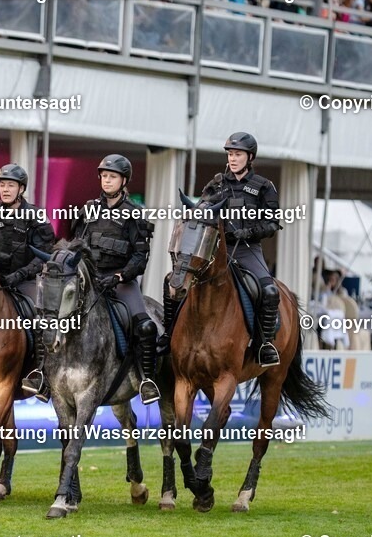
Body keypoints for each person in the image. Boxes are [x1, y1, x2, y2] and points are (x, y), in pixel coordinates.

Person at [164, 132, 282, 367]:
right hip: (215, 249)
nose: (233, 159)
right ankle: (169, 336)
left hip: (247, 249)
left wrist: (247, 232)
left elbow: (272, 223)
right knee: (174, 280)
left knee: (269, 291)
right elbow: (202, 209)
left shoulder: (264, 187)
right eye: (230, 154)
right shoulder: (216, 183)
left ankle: (264, 344)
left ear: (250, 157)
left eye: (238, 154)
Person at [71, 154, 160, 404]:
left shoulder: (135, 214)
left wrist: (120, 276)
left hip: (121, 282)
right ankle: (44, 375)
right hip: (89, 281)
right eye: (104, 176)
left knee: (145, 326)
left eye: (112, 177)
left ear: (124, 181)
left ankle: (147, 380)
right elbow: (76, 246)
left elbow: (140, 257)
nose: (107, 181)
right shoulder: (87, 210)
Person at [0, 163, 56, 401]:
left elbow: (44, 254)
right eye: (2, 185)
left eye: (11, 185)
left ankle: (40, 374)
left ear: (21, 188)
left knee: (41, 318)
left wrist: (19, 275)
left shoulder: (36, 216)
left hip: (25, 280)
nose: (5, 189)